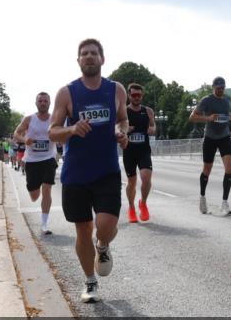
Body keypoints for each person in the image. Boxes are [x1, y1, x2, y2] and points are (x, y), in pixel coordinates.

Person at [49, 38, 129, 303]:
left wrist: (121, 131)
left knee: (105, 225)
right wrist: (71, 129)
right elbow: (53, 131)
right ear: (78, 60)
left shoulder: (116, 90)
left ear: (102, 59)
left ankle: (103, 245)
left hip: (106, 170)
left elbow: (123, 118)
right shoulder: (67, 93)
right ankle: (90, 281)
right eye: (84, 54)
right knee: (82, 230)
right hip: (76, 174)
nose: (89, 57)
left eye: (94, 53)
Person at [190, 76, 231, 215]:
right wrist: (208, 118)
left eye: (222, 88)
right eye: (218, 88)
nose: (220, 90)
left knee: (229, 168)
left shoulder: (227, 100)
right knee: (207, 170)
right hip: (210, 137)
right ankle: (202, 197)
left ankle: (224, 203)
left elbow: (227, 113)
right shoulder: (206, 100)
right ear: (213, 88)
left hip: (224, 137)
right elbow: (192, 117)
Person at [14, 92, 59, 235]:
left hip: (49, 158)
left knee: (47, 189)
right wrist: (24, 139)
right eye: (40, 101)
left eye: (46, 101)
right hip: (32, 160)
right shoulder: (29, 119)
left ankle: (44, 224)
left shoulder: (55, 119)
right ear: (36, 103)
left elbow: (62, 132)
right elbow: (16, 133)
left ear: (49, 103)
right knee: (34, 196)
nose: (43, 103)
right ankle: (35, 187)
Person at [122, 83, 157, 223]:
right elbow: (117, 128)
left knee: (146, 178)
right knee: (132, 181)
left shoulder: (148, 111)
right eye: (134, 95)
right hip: (129, 151)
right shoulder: (123, 111)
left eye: (139, 95)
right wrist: (125, 129)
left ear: (142, 96)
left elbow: (153, 125)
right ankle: (131, 208)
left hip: (143, 150)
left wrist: (152, 129)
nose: (136, 97)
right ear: (129, 95)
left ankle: (143, 203)